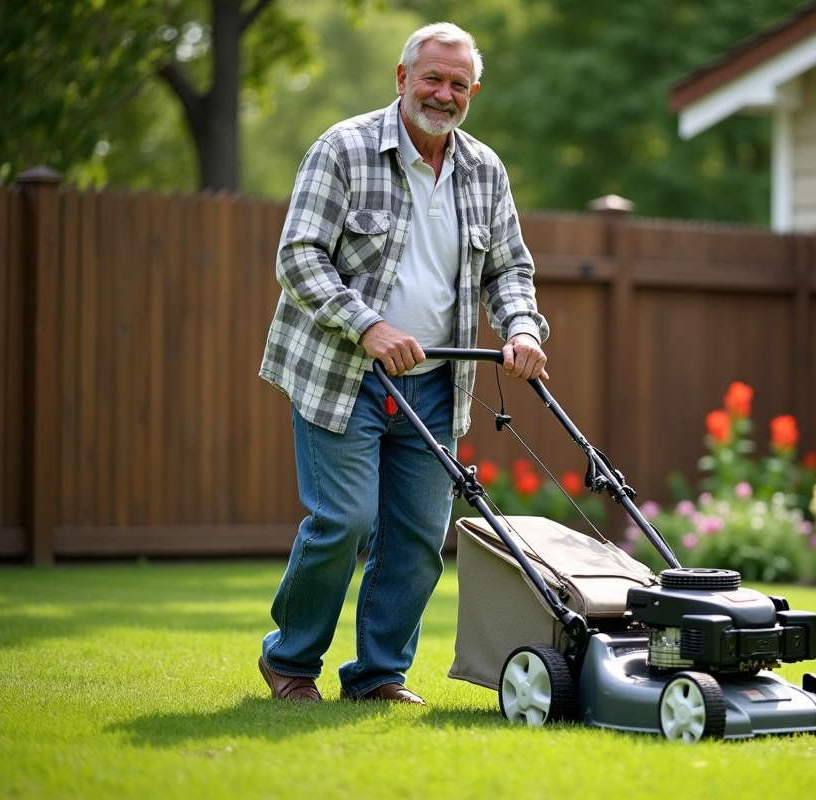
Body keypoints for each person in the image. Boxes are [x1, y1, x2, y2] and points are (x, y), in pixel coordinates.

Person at [257, 21, 548, 704]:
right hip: (342, 374)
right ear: (402, 78)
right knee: (346, 522)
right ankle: (291, 660)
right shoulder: (344, 149)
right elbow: (298, 257)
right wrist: (369, 326)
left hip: (437, 383)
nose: (443, 94)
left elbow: (509, 270)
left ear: (472, 91)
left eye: (457, 84)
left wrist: (523, 328)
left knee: (420, 535)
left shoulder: (485, 171)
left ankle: (378, 675)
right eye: (432, 79)